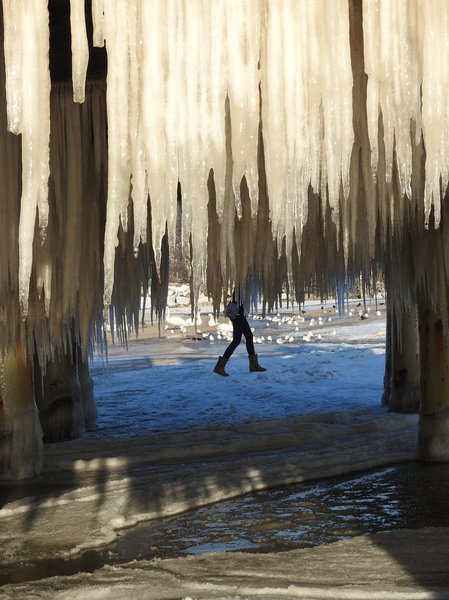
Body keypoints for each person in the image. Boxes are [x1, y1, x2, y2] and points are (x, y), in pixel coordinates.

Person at [213, 292, 267, 376]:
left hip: (240, 314)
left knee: (249, 336)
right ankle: (220, 367)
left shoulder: (243, 286)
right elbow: (236, 299)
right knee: (236, 341)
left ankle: (254, 365)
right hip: (237, 315)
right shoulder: (240, 285)